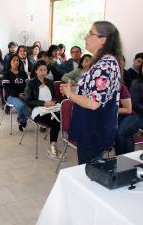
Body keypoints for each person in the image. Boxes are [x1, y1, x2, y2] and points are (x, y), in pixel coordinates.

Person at [61, 21, 122, 165]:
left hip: (94, 129)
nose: (85, 38)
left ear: (103, 39)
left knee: (90, 173)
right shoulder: (102, 62)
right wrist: (73, 90)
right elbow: (94, 93)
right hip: (91, 126)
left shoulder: (105, 64)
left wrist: (70, 94)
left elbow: (93, 103)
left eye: (90, 34)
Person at [23, 60, 66, 161]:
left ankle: (53, 146)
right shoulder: (31, 83)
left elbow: (55, 97)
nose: (43, 72)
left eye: (45, 70)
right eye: (41, 69)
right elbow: (28, 101)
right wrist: (44, 103)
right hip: (37, 110)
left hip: (51, 108)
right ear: (36, 71)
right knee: (56, 119)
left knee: (60, 116)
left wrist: (53, 102)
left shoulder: (50, 82)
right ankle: (53, 148)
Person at [2, 54, 28, 131]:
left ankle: (21, 120)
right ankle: (22, 120)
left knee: (31, 105)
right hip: (12, 95)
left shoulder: (23, 73)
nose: (16, 62)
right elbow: (7, 89)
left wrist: (26, 93)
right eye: (14, 60)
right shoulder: (7, 74)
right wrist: (18, 95)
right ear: (10, 62)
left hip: (24, 94)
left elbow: (28, 85)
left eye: (17, 60)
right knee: (21, 106)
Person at [115, 84, 139, 155]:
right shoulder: (99, 89)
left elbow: (128, 110)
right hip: (116, 120)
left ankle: (119, 159)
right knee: (126, 137)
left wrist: (110, 111)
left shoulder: (121, 87)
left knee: (120, 133)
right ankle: (126, 162)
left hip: (130, 117)